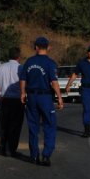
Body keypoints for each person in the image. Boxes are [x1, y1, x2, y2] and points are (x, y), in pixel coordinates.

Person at [19, 37, 64, 166]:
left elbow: (23, 79)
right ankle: (46, 155)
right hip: (45, 97)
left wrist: (23, 93)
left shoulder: (29, 62)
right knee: (49, 126)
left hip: (32, 97)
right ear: (48, 47)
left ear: (36, 47)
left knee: (33, 127)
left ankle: (34, 156)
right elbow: (54, 82)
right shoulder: (50, 63)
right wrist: (59, 98)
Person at [66, 44, 90, 137]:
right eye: (89, 51)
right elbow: (75, 74)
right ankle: (86, 130)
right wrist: (68, 85)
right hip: (86, 89)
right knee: (87, 109)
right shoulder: (82, 62)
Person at [0, 47, 24, 157]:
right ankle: (11, 149)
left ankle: (3, 148)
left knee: (4, 124)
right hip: (17, 100)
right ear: (18, 57)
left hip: (4, 100)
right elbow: (24, 84)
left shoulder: (0, 68)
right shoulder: (21, 68)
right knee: (15, 126)